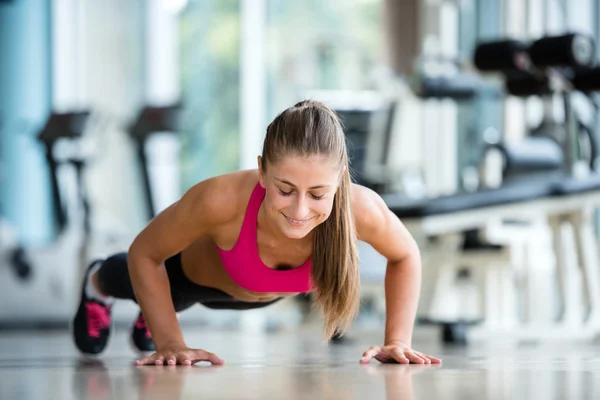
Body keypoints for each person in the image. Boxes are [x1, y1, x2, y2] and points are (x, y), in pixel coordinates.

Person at [72, 100, 442, 366]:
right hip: (185, 279)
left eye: (317, 194)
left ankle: (154, 311)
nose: (299, 211)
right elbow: (145, 253)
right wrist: (170, 341)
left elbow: (405, 254)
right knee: (135, 280)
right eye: (284, 190)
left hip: (261, 294)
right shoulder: (220, 199)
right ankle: (99, 283)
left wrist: (397, 340)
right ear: (262, 171)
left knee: (158, 305)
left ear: (341, 176)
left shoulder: (361, 208)